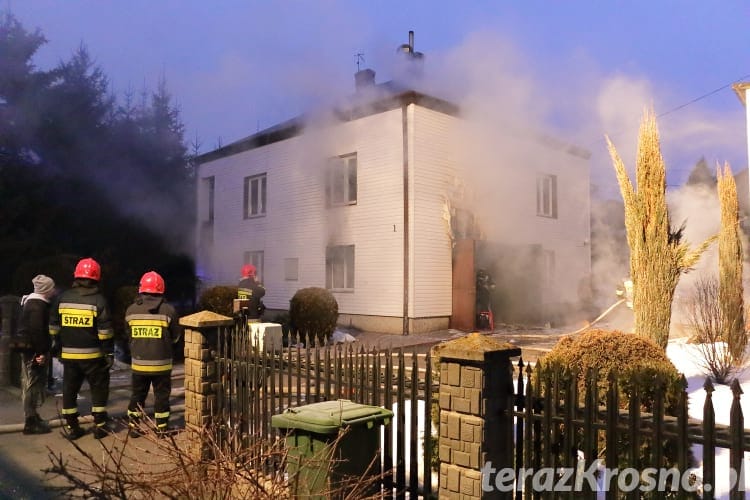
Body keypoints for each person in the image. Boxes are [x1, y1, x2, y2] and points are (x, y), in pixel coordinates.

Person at [49, 258, 114, 440]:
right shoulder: (99, 301)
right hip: (94, 357)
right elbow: (105, 332)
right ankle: (100, 426)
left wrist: (57, 345)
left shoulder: (62, 298)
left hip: (69, 356)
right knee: (99, 388)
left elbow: (54, 326)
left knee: (69, 389)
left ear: (76, 276)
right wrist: (108, 353)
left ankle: (72, 426)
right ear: (96, 278)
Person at [125, 271, 181, 437]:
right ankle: (162, 428)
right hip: (162, 364)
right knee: (161, 396)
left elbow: (128, 334)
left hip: (139, 364)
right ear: (161, 289)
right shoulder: (169, 311)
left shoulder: (131, 310)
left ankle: (133, 427)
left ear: (142, 288)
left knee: (137, 395)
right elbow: (176, 337)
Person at [17, 275, 56, 435]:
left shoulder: (32, 303)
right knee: (31, 384)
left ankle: (33, 416)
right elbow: (37, 331)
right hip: (32, 351)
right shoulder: (36, 306)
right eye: (51, 288)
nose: (54, 290)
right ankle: (30, 422)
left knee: (31, 383)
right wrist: (40, 352)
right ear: (46, 289)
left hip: (31, 350)